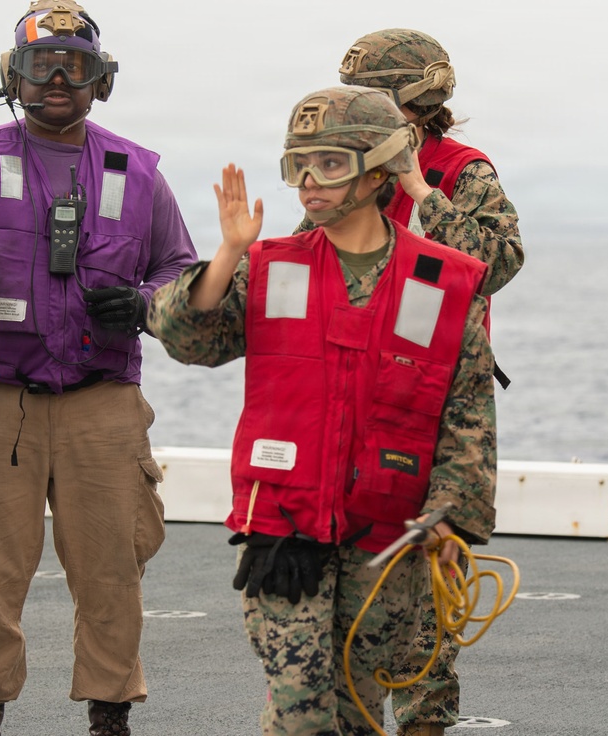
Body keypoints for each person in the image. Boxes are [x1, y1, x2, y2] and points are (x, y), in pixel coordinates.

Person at [148, 85, 497, 736]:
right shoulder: (271, 267)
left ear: (381, 166)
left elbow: (468, 411)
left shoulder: (442, 281)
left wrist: (451, 518)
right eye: (297, 167)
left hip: (391, 541)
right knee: (301, 712)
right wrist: (227, 253)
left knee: (358, 713)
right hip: (286, 533)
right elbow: (188, 339)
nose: (309, 183)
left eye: (330, 164)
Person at [0, 2, 197, 734]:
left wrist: (138, 303)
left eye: (77, 66)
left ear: (103, 80)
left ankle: (109, 714)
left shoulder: (137, 171)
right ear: (14, 76)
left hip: (103, 401)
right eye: (42, 65)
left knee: (111, 573)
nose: (60, 80)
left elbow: (181, 270)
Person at [333, 29, 525, 736]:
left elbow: (497, 260)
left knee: (427, 609)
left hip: (439, 410)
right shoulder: (346, 174)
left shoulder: (461, 171)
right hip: (354, 404)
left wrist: (417, 188)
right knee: (347, 596)